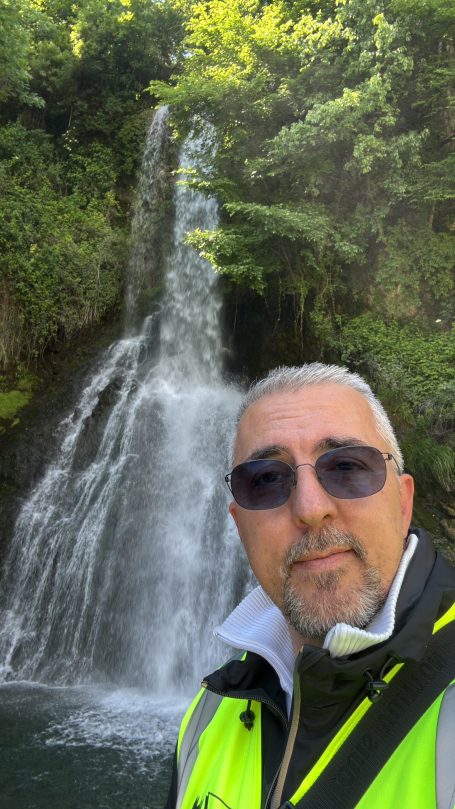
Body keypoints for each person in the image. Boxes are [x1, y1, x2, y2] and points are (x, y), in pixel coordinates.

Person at [164, 363, 455, 809]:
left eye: (346, 466)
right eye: (266, 480)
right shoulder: (207, 717)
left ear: (403, 502)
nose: (310, 508)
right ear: (240, 526)